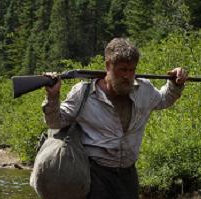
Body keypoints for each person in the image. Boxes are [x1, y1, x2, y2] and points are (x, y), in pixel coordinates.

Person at [42, 38, 188, 199]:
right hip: (95, 174)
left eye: (132, 70)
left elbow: (163, 99)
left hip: (128, 175)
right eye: (122, 69)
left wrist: (175, 84)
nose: (127, 75)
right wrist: (53, 96)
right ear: (107, 66)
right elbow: (55, 122)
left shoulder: (143, 89)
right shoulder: (84, 93)